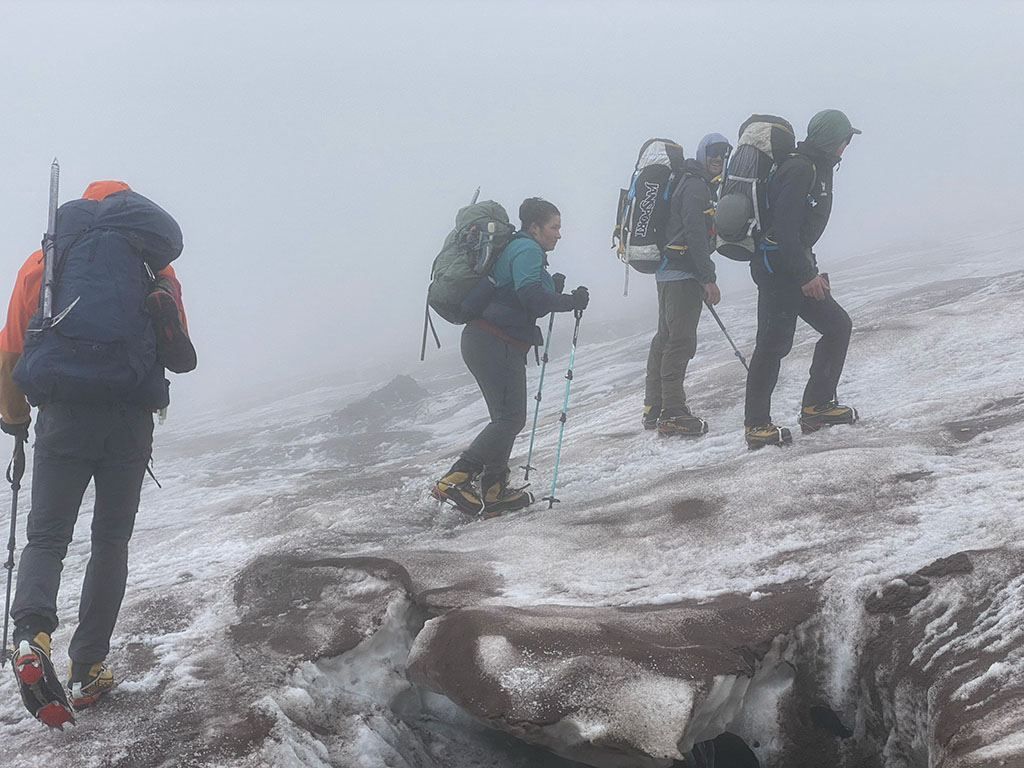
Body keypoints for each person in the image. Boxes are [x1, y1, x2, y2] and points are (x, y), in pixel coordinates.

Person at [1, 180, 196, 722]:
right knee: (110, 541)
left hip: (63, 416)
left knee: (47, 536)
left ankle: (31, 636)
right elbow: (176, 345)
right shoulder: (154, 266)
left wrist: (15, 421)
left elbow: (11, 347)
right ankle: (88, 669)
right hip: (128, 421)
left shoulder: (46, 261)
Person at [432, 197, 588, 517]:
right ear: (535, 227)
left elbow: (522, 294)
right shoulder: (527, 249)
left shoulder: (520, 249)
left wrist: (551, 288)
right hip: (495, 342)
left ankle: (494, 489)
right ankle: (455, 480)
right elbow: (529, 296)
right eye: (554, 227)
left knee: (505, 419)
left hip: (486, 341)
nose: (559, 234)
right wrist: (570, 301)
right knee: (510, 419)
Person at [743, 110, 860, 449]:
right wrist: (806, 273)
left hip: (794, 264)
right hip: (778, 269)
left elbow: (801, 232)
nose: (845, 147)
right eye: (844, 140)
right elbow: (785, 228)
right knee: (772, 345)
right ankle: (756, 427)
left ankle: (816, 407)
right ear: (832, 139)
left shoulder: (815, 166)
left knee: (838, 326)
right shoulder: (799, 168)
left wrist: (810, 267)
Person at [643, 133, 731, 436]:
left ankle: (654, 408)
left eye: (723, 152)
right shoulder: (695, 187)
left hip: (669, 273)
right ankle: (673, 412)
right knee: (680, 342)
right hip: (682, 275)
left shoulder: (692, 182)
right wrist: (709, 278)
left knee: (665, 339)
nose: (718, 157)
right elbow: (695, 235)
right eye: (713, 152)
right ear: (702, 153)